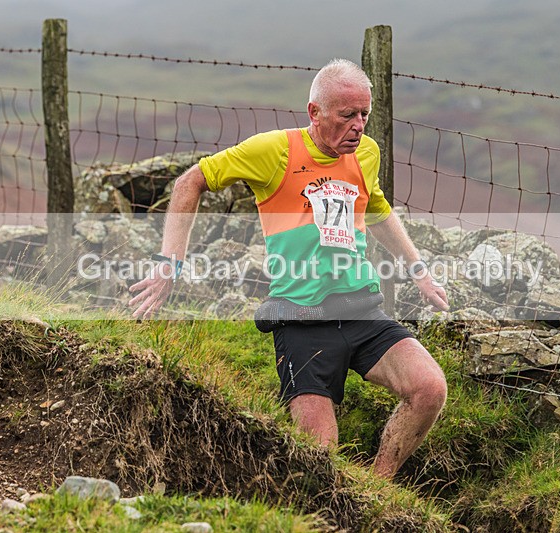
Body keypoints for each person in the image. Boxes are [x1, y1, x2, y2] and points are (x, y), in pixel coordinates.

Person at [129, 58, 449, 478]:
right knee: (320, 456)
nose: (358, 126)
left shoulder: (365, 153)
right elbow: (191, 181)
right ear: (315, 112)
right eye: (347, 115)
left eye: (365, 114)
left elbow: (375, 209)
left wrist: (417, 269)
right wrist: (169, 261)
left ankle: (379, 486)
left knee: (429, 388)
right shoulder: (274, 150)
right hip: (301, 319)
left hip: (361, 311)